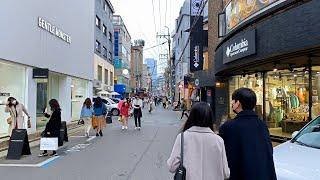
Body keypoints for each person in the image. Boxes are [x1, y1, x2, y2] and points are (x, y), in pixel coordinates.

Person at [219, 88, 277, 180]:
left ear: (238, 103)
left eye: (233, 101)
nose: (232, 104)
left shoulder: (228, 127)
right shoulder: (262, 125)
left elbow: (223, 158)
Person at [167, 102, 230, 180]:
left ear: (191, 117)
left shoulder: (183, 137)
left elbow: (171, 167)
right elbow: (226, 173)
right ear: (210, 118)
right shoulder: (218, 140)